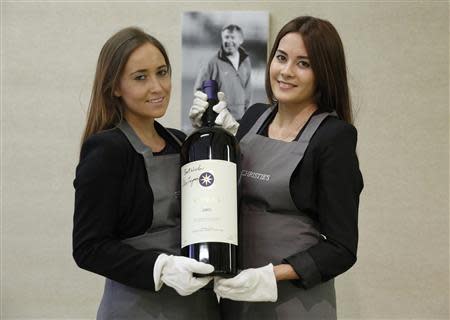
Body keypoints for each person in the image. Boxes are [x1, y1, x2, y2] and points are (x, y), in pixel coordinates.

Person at [190, 16, 363, 319]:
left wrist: (270, 276)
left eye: (303, 64)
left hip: (295, 302)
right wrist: (210, 142)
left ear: (323, 73)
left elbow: (341, 248)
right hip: (237, 296)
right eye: (281, 58)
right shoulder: (253, 119)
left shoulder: (333, 137)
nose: (286, 71)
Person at [72, 27, 220, 320]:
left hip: (199, 308)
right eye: (141, 77)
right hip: (137, 308)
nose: (158, 87)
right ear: (115, 87)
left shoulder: (182, 143)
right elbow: (88, 247)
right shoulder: (107, 150)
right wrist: (161, 268)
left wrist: (217, 137)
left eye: (162, 72)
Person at [193, 24, 252, 121]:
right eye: (226, 37)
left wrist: (246, 112)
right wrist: (211, 114)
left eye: (232, 37)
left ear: (241, 40)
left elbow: (248, 88)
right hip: (220, 120)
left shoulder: (246, 60)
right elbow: (198, 90)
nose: (229, 41)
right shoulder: (211, 62)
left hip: (241, 118)